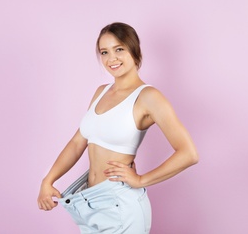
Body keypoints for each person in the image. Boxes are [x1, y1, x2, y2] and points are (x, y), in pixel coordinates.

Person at [37, 22, 199, 233]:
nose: (111, 58)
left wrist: (141, 180)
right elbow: (78, 142)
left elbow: (189, 153)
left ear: (134, 50)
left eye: (119, 49)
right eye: (104, 52)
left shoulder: (149, 97)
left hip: (120, 204)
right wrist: (48, 180)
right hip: (89, 201)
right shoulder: (101, 92)